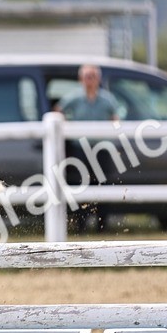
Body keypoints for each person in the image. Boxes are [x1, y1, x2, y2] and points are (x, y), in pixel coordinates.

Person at [57, 64, 119, 232]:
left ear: (98, 79)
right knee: (81, 184)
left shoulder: (107, 99)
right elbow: (58, 112)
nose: (90, 80)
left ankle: (102, 225)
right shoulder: (73, 98)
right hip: (81, 149)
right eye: (87, 76)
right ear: (81, 79)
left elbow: (115, 119)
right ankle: (81, 225)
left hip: (102, 149)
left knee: (103, 185)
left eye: (92, 76)